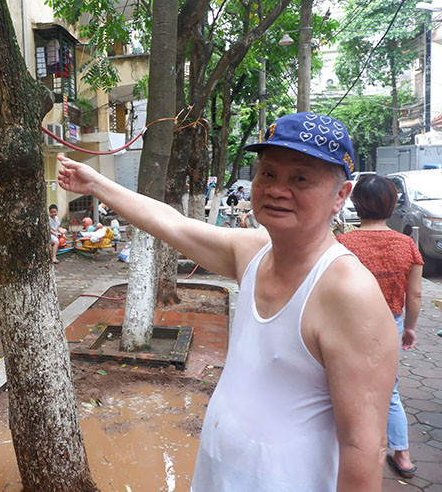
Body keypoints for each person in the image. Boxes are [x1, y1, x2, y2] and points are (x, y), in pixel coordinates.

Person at [57, 112, 397, 491]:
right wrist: (97, 183)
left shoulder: (347, 292)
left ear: (341, 195)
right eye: (268, 173)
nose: (277, 189)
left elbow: (364, 445)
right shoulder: (253, 252)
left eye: (300, 178)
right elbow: (171, 223)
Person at [336, 174, 423, 479]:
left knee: (341, 386)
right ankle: (402, 455)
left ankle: (342, 451)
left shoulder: (342, 244)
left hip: (349, 322)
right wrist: (409, 328)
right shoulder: (407, 244)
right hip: (391, 323)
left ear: (355, 202)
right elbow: (414, 293)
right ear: (392, 204)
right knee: (390, 390)